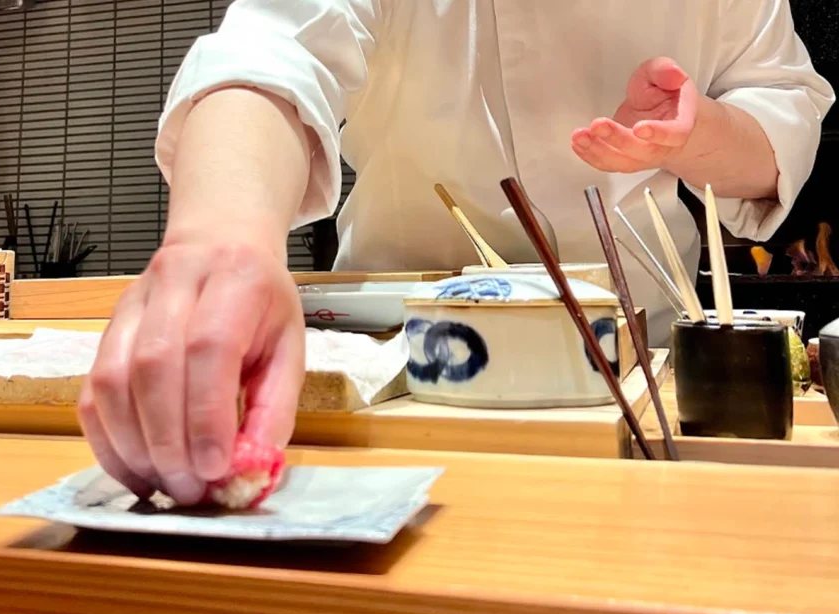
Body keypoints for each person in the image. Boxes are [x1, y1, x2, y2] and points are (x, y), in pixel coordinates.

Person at [80, 0, 835, 503]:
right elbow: (274, 47)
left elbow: (780, 116)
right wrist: (224, 238)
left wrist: (700, 136)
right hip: (399, 372)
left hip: (642, 379)